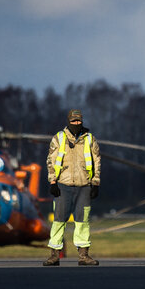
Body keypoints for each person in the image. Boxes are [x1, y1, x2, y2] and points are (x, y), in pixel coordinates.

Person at [42, 109, 101, 266]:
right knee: (59, 220)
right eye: (73, 121)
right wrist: (53, 182)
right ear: (68, 122)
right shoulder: (59, 138)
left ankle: (83, 255)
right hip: (63, 185)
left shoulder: (90, 139)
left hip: (84, 186)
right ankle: (54, 255)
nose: (76, 124)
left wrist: (95, 182)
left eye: (78, 121)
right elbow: (51, 161)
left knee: (83, 221)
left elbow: (97, 161)